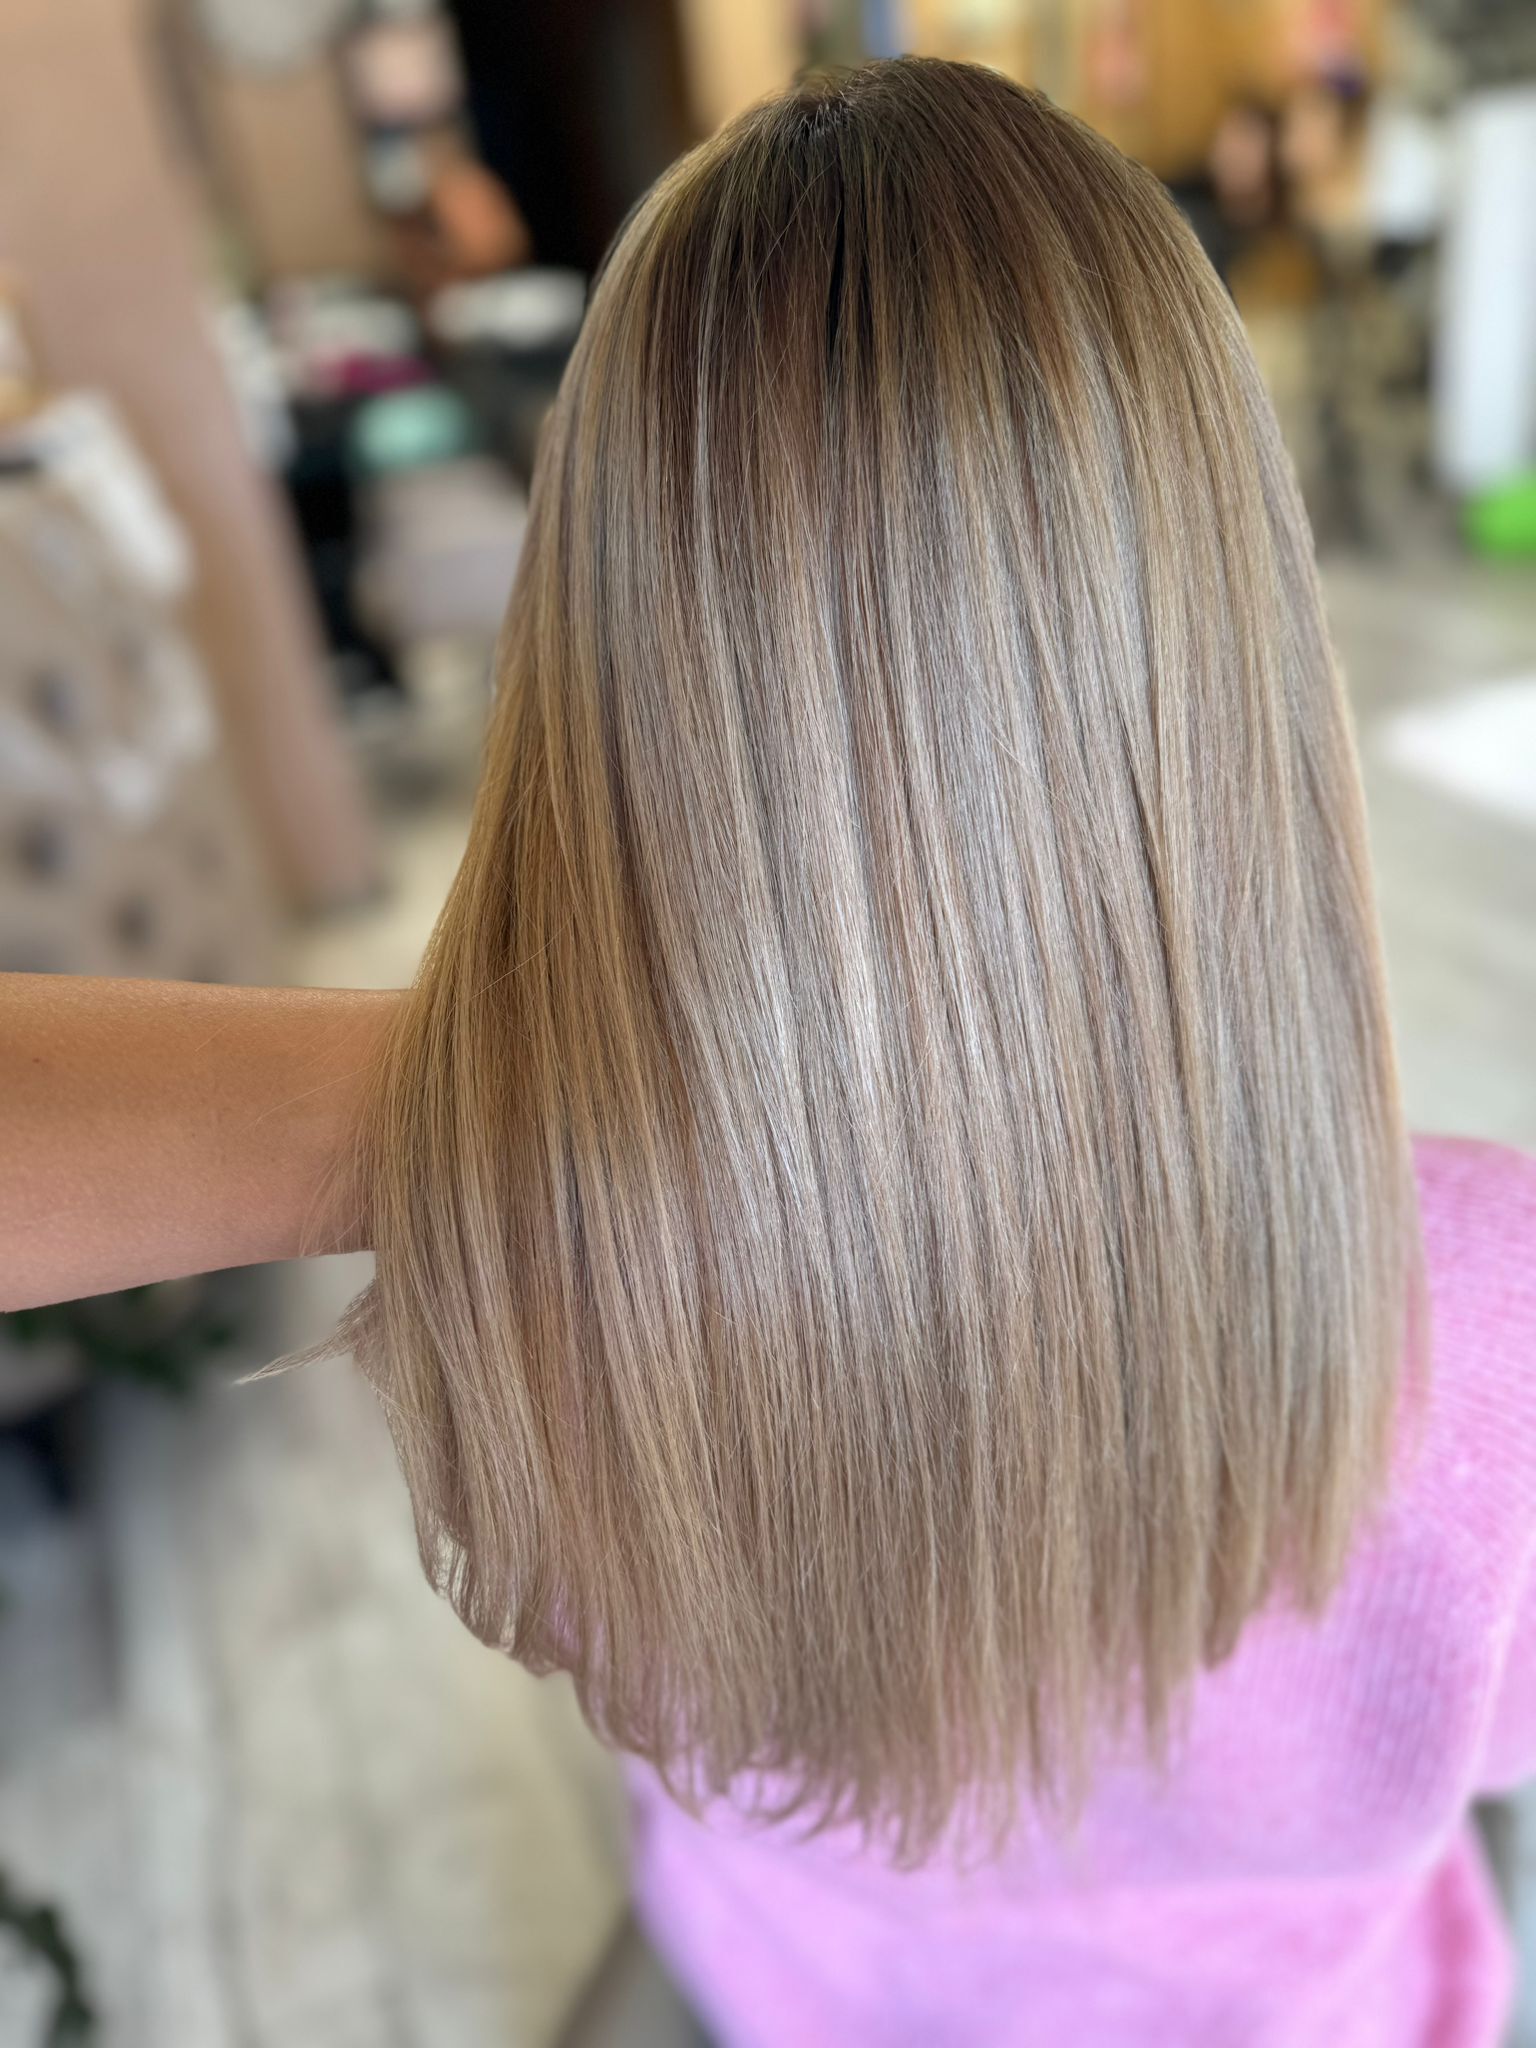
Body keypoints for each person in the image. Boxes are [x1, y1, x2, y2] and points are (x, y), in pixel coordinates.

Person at [3, 59, 1534, 2048]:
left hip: (797, 1992)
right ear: (1235, 641)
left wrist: (579, 1116)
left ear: (600, 676)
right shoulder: (1492, 1316)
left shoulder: (555, 1284)